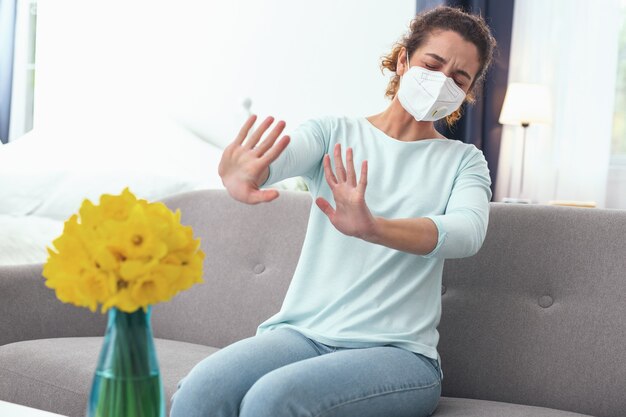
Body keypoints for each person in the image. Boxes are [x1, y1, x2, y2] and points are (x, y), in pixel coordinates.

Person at [170, 5, 496, 417]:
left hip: (398, 354)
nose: (441, 81)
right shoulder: (333, 133)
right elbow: (284, 158)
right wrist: (250, 172)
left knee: (272, 400)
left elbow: (467, 233)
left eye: (458, 78)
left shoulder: (464, 161)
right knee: (203, 390)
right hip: (303, 334)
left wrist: (374, 228)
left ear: (465, 94)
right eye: (433, 64)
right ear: (403, 60)